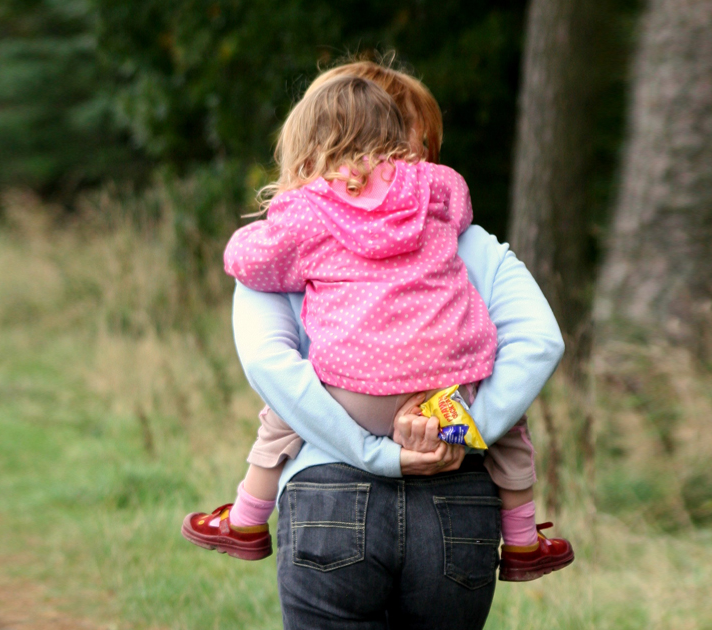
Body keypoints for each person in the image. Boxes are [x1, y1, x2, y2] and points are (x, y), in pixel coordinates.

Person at [180, 59, 570, 628]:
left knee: (280, 413)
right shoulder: (464, 234)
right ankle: (524, 534)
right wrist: (451, 428)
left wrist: (380, 455)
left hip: (329, 492)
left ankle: (245, 514)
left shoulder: (298, 223)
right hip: (458, 477)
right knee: (500, 410)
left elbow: (270, 362)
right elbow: (539, 342)